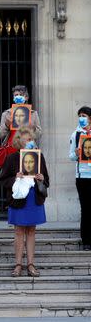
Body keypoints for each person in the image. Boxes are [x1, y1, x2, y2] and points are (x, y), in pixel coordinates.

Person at [0, 126, 49, 278]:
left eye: (32, 139)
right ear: (18, 141)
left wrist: (42, 179)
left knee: (32, 231)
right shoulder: (11, 158)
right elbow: (3, 180)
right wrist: (16, 177)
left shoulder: (39, 157)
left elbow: (47, 180)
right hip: (19, 199)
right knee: (19, 231)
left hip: (34, 197)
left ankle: (31, 264)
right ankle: (18, 265)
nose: (30, 142)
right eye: (27, 139)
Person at [69, 106, 91, 250]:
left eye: (84, 115)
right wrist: (77, 153)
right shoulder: (75, 134)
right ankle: (86, 240)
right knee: (86, 208)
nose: (81, 118)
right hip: (82, 177)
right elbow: (70, 156)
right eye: (80, 116)